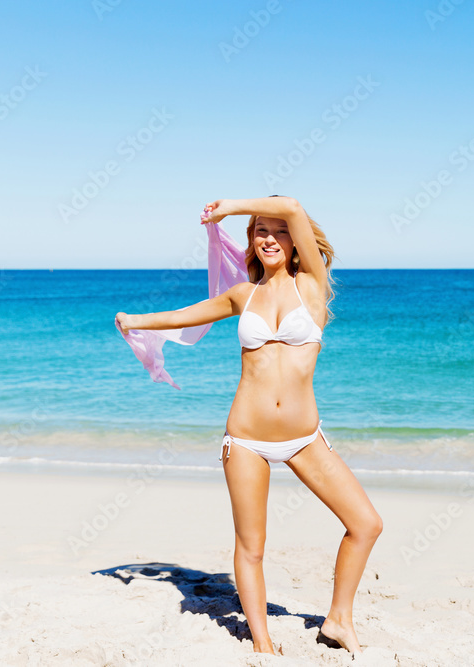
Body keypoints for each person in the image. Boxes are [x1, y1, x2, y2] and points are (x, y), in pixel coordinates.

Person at [115, 196, 382, 656]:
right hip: (246, 440)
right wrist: (136, 320)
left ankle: (338, 619)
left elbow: (294, 206)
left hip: (304, 439)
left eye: (278, 231)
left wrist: (232, 207)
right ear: (251, 243)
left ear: (296, 243)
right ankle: (262, 644)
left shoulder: (312, 286)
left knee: (366, 524)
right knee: (252, 545)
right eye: (259, 230)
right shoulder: (245, 295)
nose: (269, 237)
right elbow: (187, 314)